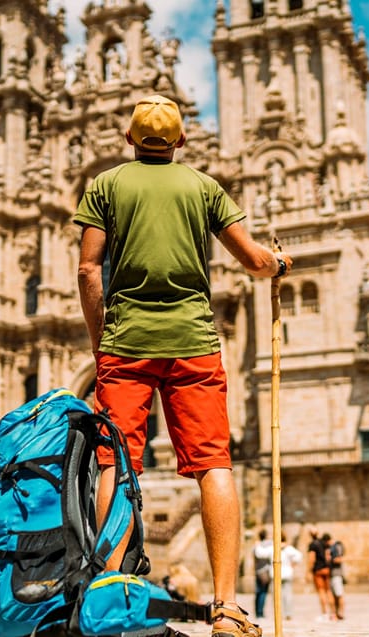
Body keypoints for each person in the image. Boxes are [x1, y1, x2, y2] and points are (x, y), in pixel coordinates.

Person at [75, 94, 291, 637]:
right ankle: (226, 608)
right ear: (181, 141)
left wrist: (101, 339)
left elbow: (87, 270)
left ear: (128, 138)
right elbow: (253, 260)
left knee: (115, 464)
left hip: (125, 344)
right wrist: (278, 262)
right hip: (195, 341)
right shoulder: (204, 187)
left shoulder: (104, 185)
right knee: (214, 466)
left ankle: (108, 592)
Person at [306, 531, 333, 621]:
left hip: (318, 570)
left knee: (321, 592)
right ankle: (332, 613)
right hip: (326, 569)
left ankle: (324, 613)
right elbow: (328, 557)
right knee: (328, 591)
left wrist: (308, 571)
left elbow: (312, 559)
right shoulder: (324, 544)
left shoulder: (313, 545)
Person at [279, 535, 303, 621]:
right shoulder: (288, 548)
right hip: (287, 573)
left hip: (277, 574)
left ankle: (279, 613)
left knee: (278, 596)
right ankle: (288, 613)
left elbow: (261, 553)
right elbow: (299, 555)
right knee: (288, 595)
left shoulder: (274, 546)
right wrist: (293, 564)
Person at [252, 530, 274, 618]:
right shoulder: (268, 545)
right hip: (264, 571)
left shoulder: (257, 545)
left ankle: (258, 612)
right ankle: (260, 612)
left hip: (258, 570)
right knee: (262, 592)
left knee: (259, 592)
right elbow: (261, 555)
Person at [328, 537, 346, 620]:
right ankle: (336, 612)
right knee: (335, 595)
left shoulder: (336, 547)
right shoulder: (334, 547)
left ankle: (341, 613)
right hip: (332, 575)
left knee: (339, 594)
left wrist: (329, 559)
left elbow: (339, 559)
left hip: (336, 575)